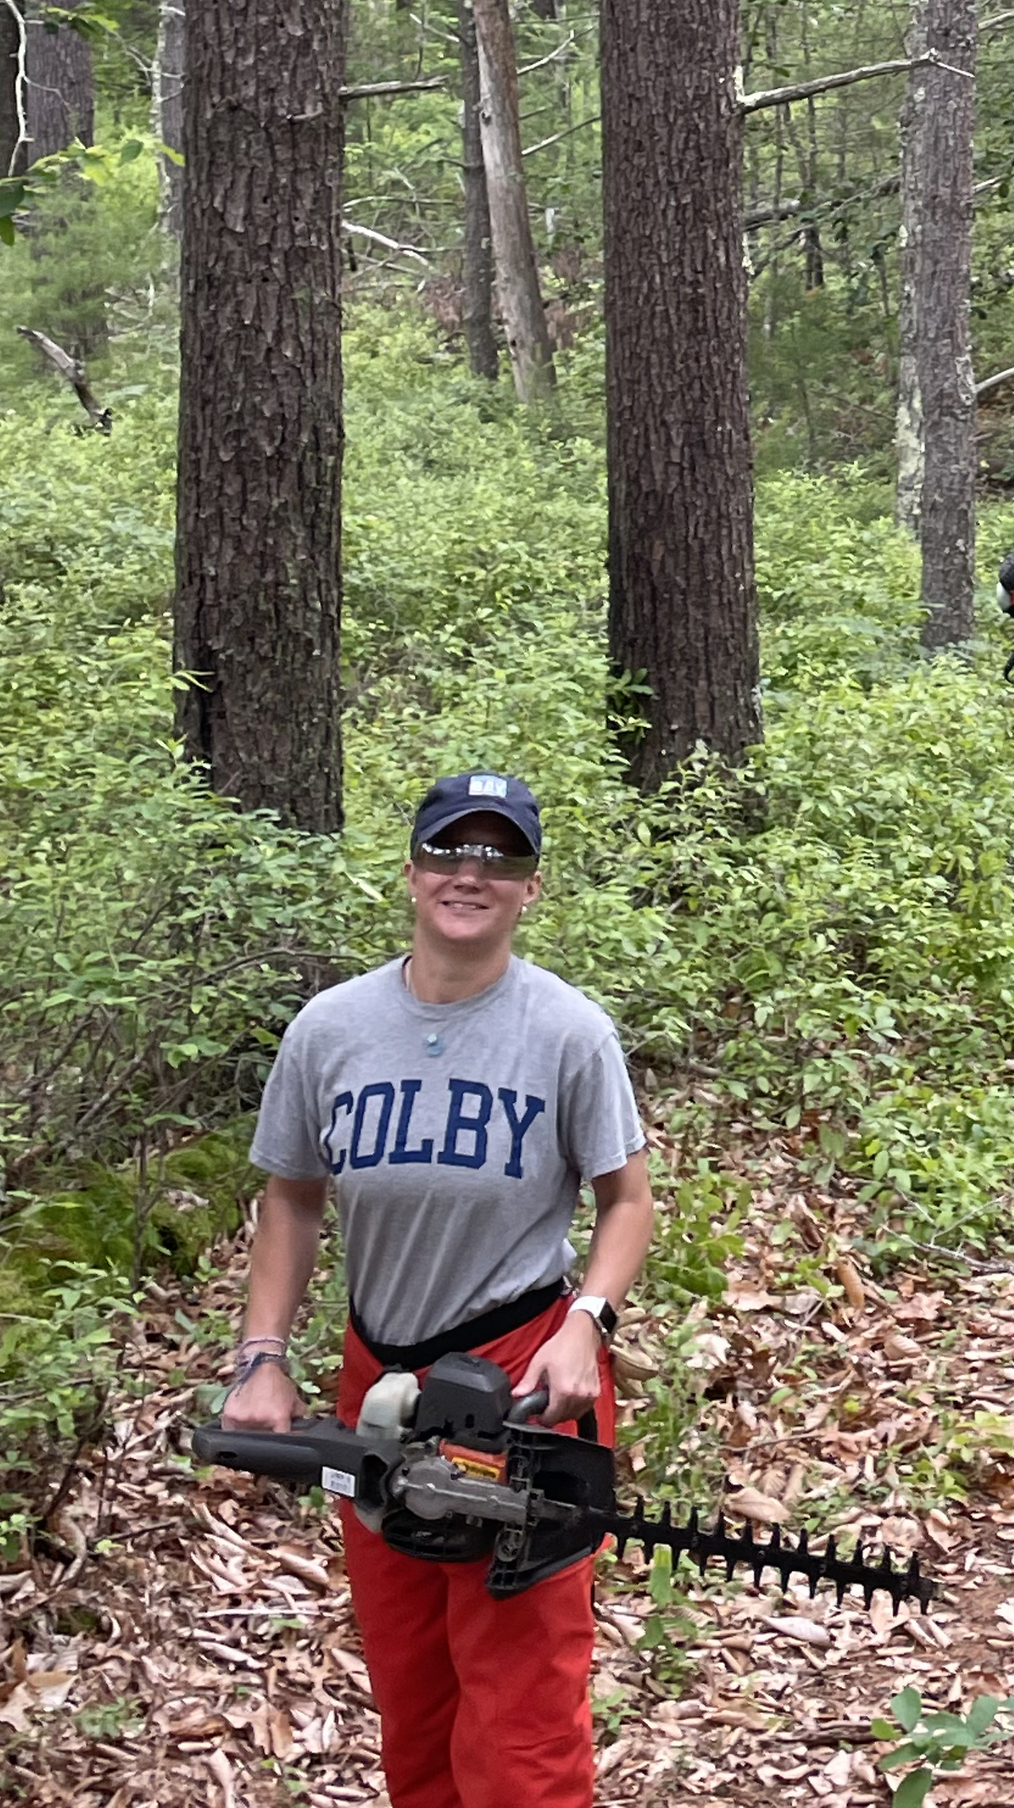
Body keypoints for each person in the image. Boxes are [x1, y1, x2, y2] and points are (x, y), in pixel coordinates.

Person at [223, 770, 655, 1808]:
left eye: (499, 856)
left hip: (519, 1375)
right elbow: (290, 1198)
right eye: (450, 851)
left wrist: (583, 1327)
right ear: (412, 869)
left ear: (530, 887)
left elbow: (627, 1201)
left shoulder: (567, 1032)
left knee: (521, 1706)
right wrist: (263, 1358)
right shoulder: (331, 1028)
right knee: (411, 1679)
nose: (471, 873)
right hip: (376, 1373)